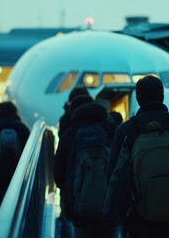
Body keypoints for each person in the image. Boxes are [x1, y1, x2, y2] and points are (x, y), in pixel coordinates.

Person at [105, 75, 169, 238]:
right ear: (162, 96)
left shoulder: (125, 131)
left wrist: (126, 215)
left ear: (138, 99)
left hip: (139, 220)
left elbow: (112, 176)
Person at [54, 94, 118, 238]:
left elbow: (58, 175)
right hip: (109, 208)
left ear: (73, 113)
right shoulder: (112, 131)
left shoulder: (69, 135)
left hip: (80, 208)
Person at [0, 101, 30, 210]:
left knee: (0, 200)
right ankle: (15, 225)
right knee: (15, 204)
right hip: (17, 172)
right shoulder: (21, 127)